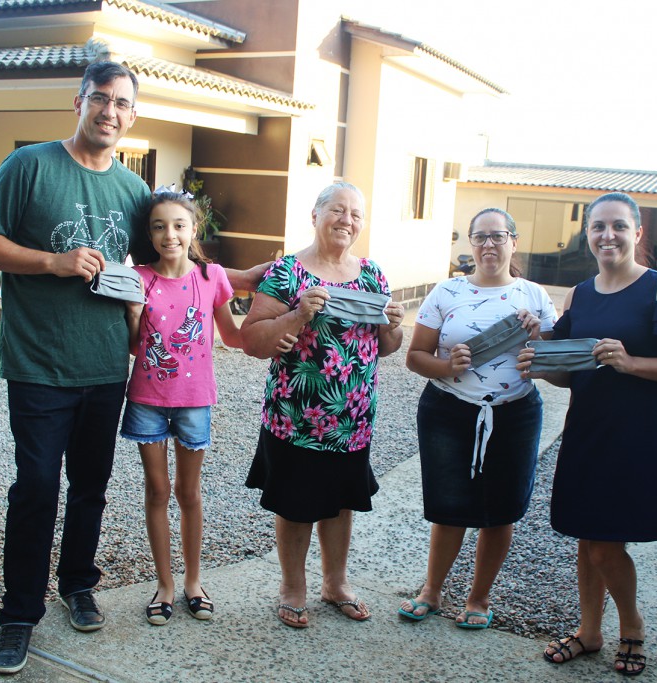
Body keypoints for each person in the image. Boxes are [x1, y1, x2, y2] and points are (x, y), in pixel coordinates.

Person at [0, 61, 265, 675]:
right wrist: (53, 262)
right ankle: (18, 615)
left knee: (91, 489)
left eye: (122, 103)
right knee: (37, 487)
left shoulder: (133, 190)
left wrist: (248, 278)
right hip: (40, 366)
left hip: (108, 369)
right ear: (78, 102)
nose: (109, 111)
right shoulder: (30, 167)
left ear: (133, 115)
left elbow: (176, 261)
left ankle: (78, 583)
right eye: (99, 99)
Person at [517, 192, 657, 676]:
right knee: (587, 538)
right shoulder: (579, 295)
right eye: (598, 227)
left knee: (605, 544)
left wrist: (630, 362)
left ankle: (632, 627)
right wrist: (540, 363)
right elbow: (573, 372)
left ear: (637, 233)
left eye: (619, 226)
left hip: (635, 437)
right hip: (585, 432)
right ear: (588, 235)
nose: (608, 235)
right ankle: (589, 632)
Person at [240, 182, 405, 628]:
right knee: (295, 505)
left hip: (352, 420)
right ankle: (293, 587)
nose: (346, 220)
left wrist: (394, 324)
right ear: (315, 215)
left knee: (341, 502)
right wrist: (297, 315)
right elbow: (251, 340)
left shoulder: (372, 275)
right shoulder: (288, 273)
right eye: (337, 210)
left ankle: (335, 583)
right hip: (295, 419)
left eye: (355, 214)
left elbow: (386, 347)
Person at [398, 208, 556, 629]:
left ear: (513, 241)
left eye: (498, 236)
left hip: (515, 415)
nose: (489, 244)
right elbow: (415, 357)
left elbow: (557, 367)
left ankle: (479, 597)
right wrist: (448, 367)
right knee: (449, 506)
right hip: (449, 411)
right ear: (470, 244)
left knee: (500, 510)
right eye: (480, 237)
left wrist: (539, 336)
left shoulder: (534, 296)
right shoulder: (446, 292)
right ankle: (431, 590)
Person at [120, 188, 244, 625]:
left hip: (194, 402)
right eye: (158, 226)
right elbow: (137, 347)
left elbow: (233, 335)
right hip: (147, 400)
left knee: (189, 493)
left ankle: (193, 581)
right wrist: (134, 314)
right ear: (149, 234)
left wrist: (286, 324)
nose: (169, 234)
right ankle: (165, 585)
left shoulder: (212, 277)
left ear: (194, 229)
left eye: (178, 225)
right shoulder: (136, 276)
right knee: (157, 491)